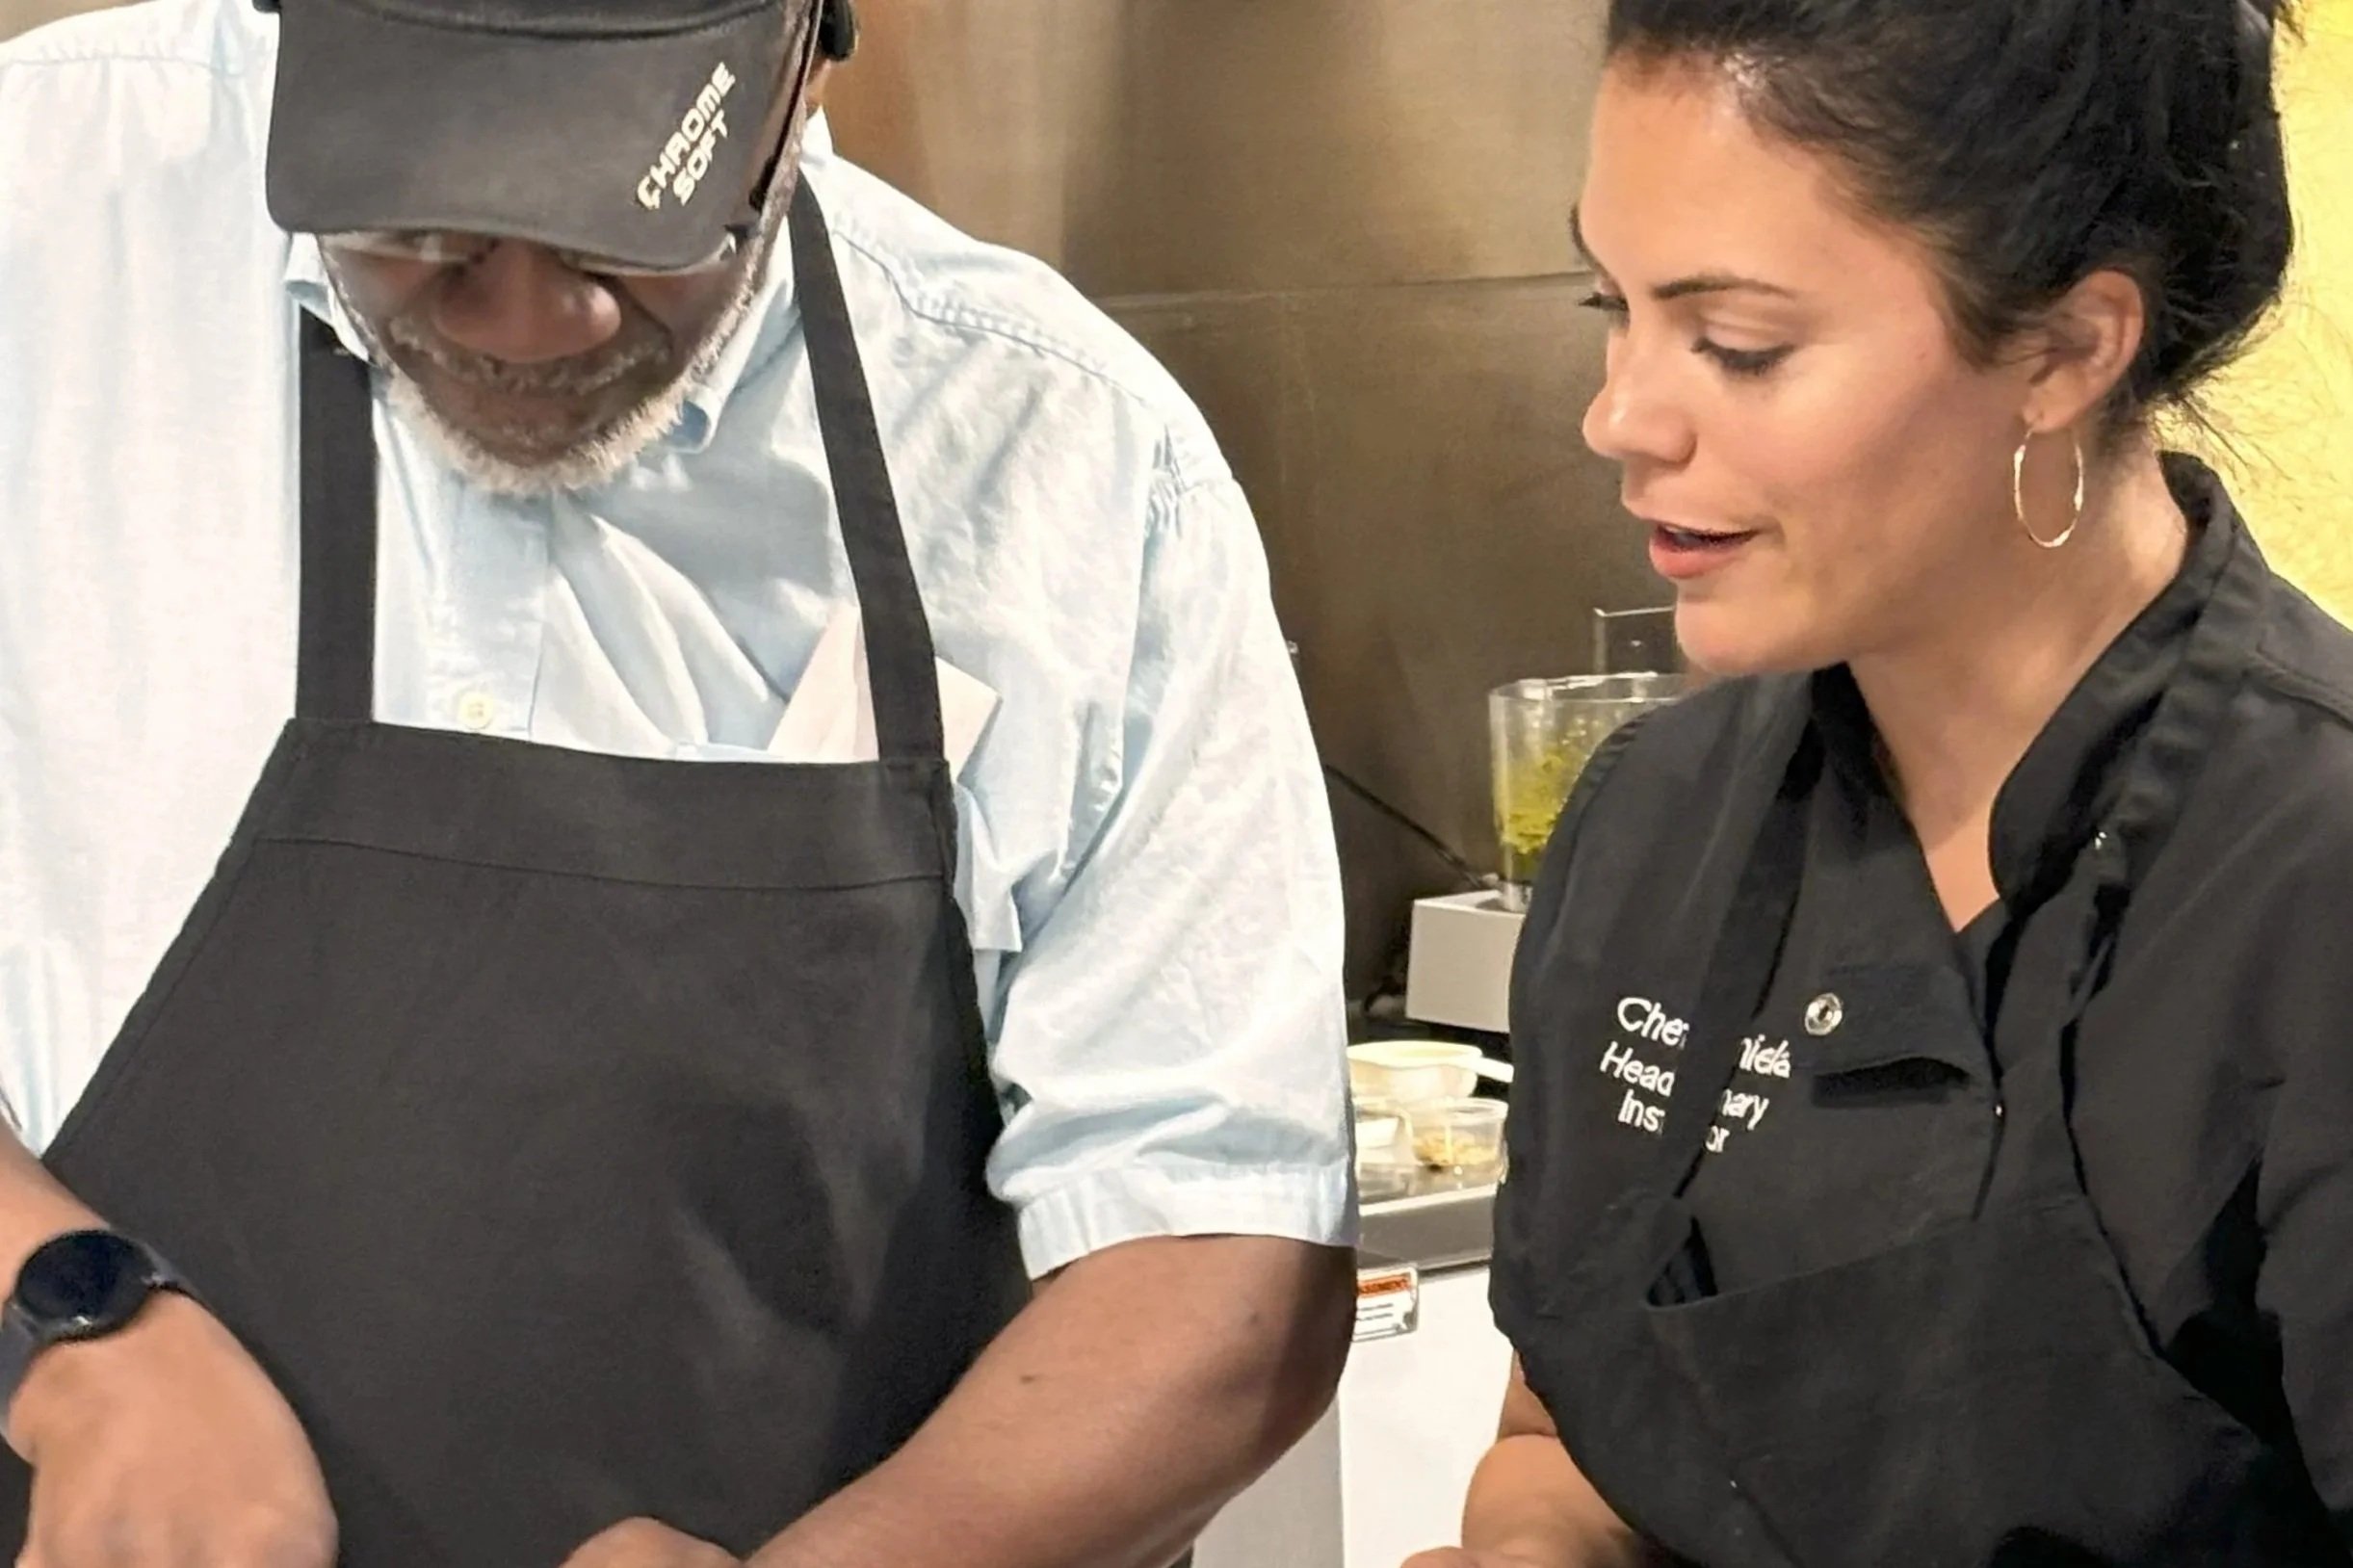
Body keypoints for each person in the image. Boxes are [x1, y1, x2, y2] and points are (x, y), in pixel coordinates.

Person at [0, 0, 1359, 1563]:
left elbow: (1218, 1246)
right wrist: (75, 1325)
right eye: (423, 229)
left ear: (805, 58)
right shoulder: (45, 213)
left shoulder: (1057, 458)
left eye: (630, 223)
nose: (527, 321)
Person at [1410, 0, 2353, 1563]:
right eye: (1612, 303)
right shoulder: (1656, 818)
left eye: (1738, 344)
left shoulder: (2308, 881)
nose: (1619, 416)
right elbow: (1564, 1444)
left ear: (2062, 350)